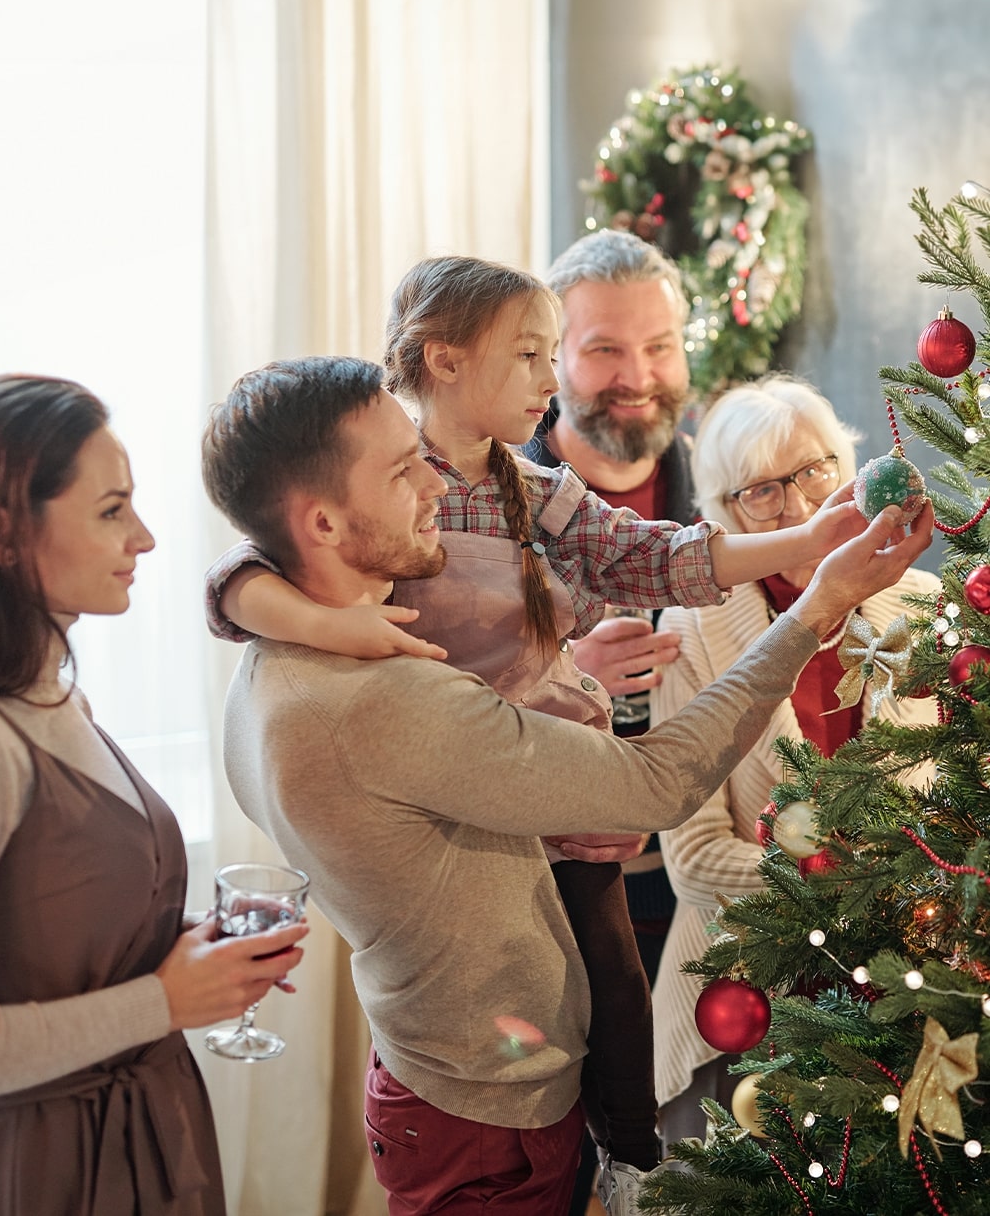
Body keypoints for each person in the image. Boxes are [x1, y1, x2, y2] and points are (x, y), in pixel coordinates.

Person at [203, 257, 869, 1215]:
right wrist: (324, 622)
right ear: (442, 363)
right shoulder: (375, 533)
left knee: (615, 997)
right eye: (539, 353)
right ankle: (629, 1159)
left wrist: (804, 549)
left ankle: (625, 1156)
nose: (552, 379)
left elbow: (650, 554)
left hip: (550, 782)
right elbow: (244, 565)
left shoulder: (520, 484)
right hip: (496, 825)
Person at [0, 374, 309, 1216]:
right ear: (2, 535)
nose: (147, 537)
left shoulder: (58, 699)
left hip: (159, 1131)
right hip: (54, 1173)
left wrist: (194, 953)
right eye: (111, 510)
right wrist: (163, 1000)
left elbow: (55, 932)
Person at [649, 374, 940, 1152]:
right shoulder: (694, 630)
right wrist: (828, 880)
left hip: (902, 982)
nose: (801, 506)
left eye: (814, 472)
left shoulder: (921, 602)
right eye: (763, 492)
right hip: (746, 1000)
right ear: (723, 513)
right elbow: (692, 858)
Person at [529, 229, 695, 1216]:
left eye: (661, 346)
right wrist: (563, 679)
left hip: (712, 893)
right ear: (551, 359)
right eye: (603, 349)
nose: (637, 378)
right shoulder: (481, 506)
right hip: (550, 909)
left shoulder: (733, 486)